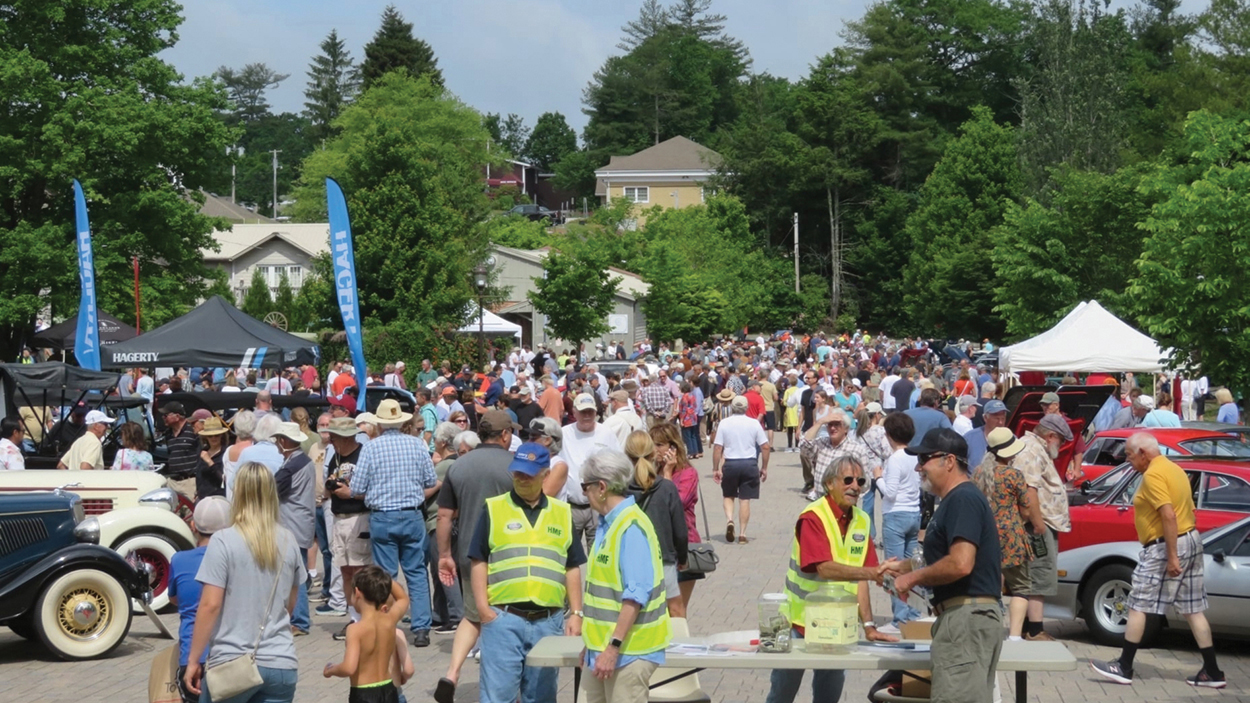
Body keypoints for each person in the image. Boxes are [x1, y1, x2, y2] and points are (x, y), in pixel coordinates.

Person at [1091, 433, 1226, 688]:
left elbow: (1169, 515)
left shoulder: (1152, 475)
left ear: (1143, 452)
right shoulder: (1174, 468)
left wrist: (1173, 556)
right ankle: (1212, 671)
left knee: (1138, 603)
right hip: (1191, 538)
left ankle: (1124, 665)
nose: (1129, 462)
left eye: (1130, 456)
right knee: (1192, 607)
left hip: (1165, 546)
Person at [765, 455, 897, 703]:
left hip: (837, 628)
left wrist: (868, 626)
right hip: (797, 623)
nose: (855, 486)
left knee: (828, 697)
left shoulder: (862, 520)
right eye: (847, 480)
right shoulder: (813, 517)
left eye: (860, 481)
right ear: (829, 484)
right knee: (782, 695)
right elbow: (824, 568)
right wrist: (871, 572)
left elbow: (861, 579)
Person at [889, 429, 1002, 703]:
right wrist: (904, 567)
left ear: (949, 461)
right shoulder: (956, 500)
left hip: (966, 620)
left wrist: (913, 578)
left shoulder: (963, 498)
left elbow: (961, 563)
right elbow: (945, 558)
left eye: (924, 459)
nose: (918, 467)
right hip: (965, 619)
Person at [469, 442, 586, 703]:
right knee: (497, 697)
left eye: (529, 474)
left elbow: (572, 566)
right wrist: (484, 610)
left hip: (548, 620)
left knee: (542, 697)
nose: (521, 479)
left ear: (546, 473)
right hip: (503, 619)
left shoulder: (562, 513)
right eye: (517, 473)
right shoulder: (494, 507)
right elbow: (478, 560)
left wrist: (577, 613)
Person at [183, 463, 306, 703]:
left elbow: (210, 605)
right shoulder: (288, 539)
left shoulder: (223, 540)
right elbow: (290, 605)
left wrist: (193, 659)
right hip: (281, 661)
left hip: (232, 662)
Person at [434, 409, 518, 702]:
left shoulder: (458, 466)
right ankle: (504, 686)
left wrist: (445, 554)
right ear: (505, 434)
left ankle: (453, 672)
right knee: (506, 619)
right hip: (510, 556)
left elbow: (444, 516)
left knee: (472, 616)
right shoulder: (515, 466)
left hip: (469, 554)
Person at [580, 450, 671, 703]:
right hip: (605, 649)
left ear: (601, 487)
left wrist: (612, 647)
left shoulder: (630, 527)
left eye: (584, 487)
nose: (583, 495)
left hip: (630, 650)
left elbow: (635, 595)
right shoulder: (609, 523)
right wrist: (592, 643)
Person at [350, 399, 441, 648]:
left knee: (385, 575)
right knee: (416, 573)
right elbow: (430, 480)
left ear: (379, 423)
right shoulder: (417, 444)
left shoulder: (371, 448)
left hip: (382, 516)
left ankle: (386, 624)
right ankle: (421, 627)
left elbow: (357, 487)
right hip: (412, 514)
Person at [973, 428, 1040, 639]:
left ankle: (987, 631)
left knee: (989, 585)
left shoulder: (978, 473)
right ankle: (1014, 636)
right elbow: (1027, 508)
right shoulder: (1014, 475)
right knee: (1021, 587)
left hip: (985, 536)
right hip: (1012, 536)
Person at [169, 495, 231, 703]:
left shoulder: (179, 560)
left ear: (193, 525)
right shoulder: (235, 559)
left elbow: (175, 599)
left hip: (191, 653)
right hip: (229, 655)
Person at [1015, 414, 1072, 641]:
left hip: (1042, 521)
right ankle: (1034, 629)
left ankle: (1030, 625)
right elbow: (1029, 490)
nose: (1061, 446)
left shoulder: (1036, 448)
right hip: (1039, 523)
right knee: (1039, 574)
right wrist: (1038, 525)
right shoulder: (1031, 450)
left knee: (1038, 574)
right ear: (1051, 436)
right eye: (1060, 441)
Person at [544, 393, 624, 553]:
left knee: (599, 552)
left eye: (590, 412)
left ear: (596, 412)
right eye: (583, 412)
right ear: (574, 412)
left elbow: (618, 465)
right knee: (565, 551)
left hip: (599, 505)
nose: (587, 416)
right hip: (571, 505)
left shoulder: (606, 433)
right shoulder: (563, 434)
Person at [624, 431, 689, 618]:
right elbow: (680, 531)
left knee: (633, 606)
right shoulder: (667, 488)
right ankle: (680, 645)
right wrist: (682, 558)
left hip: (631, 557)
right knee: (675, 608)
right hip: (663, 557)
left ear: (627, 455)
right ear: (654, 453)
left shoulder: (621, 489)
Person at [323, 566, 410, 703]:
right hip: (389, 689)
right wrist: (384, 580)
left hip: (364, 693)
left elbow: (349, 668)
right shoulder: (389, 621)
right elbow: (403, 598)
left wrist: (332, 669)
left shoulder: (355, 630)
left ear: (357, 592)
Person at [323, 416, 372, 638]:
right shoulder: (336, 456)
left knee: (360, 571)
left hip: (359, 515)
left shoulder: (364, 455)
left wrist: (350, 492)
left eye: (334, 437)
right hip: (338, 516)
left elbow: (373, 490)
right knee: (345, 570)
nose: (331, 441)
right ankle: (354, 618)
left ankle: (366, 618)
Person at [875, 413, 922, 634]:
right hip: (914, 513)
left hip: (895, 514)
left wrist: (878, 478)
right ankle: (914, 612)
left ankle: (899, 619)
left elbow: (890, 493)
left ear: (889, 435)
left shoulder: (895, 458)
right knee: (912, 566)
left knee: (894, 567)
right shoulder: (916, 456)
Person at [650, 423, 703, 612]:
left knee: (676, 610)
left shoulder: (688, 473)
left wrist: (667, 474)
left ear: (673, 447)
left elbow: (673, 504)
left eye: (659, 445)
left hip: (683, 546)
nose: (654, 450)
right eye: (652, 444)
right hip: (658, 546)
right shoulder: (651, 471)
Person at [272, 421, 316, 636]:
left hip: (292, 525)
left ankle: (299, 621)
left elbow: (270, 490)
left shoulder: (291, 466)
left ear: (284, 441)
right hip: (299, 523)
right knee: (296, 573)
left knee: (295, 575)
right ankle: (296, 619)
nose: (276, 445)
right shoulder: (300, 461)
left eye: (278, 440)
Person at [712, 395, 770, 544]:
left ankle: (730, 520)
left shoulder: (724, 423)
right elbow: (765, 446)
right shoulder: (754, 423)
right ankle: (743, 534)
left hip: (731, 463)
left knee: (728, 495)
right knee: (745, 500)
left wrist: (715, 468)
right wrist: (764, 467)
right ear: (746, 408)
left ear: (732, 407)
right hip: (749, 463)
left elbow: (718, 447)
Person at [797, 407, 880, 504]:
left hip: (842, 504)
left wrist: (851, 497)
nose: (832, 428)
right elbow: (803, 446)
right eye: (830, 424)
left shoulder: (857, 450)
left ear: (846, 428)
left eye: (837, 425)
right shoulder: (821, 444)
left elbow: (865, 483)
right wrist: (820, 422)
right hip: (820, 501)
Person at [161, 402, 202, 500]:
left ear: (177, 416)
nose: (163, 417)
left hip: (189, 482)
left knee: (191, 513)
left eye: (166, 415)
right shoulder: (167, 435)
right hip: (173, 482)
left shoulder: (193, 430)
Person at [223, 410, 256, 498]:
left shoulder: (228, 451)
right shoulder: (254, 450)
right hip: (247, 502)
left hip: (231, 500)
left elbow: (226, 478)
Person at [195, 417, 229, 499]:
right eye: (210, 436)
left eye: (216, 435)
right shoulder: (203, 452)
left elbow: (225, 480)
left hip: (219, 498)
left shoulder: (226, 453)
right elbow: (199, 475)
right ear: (205, 437)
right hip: (202, 497)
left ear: (221, 435)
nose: (214, 438)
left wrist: (210, 462)